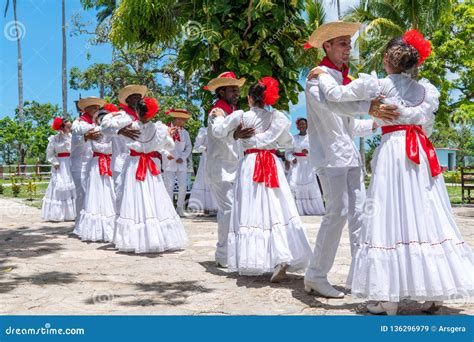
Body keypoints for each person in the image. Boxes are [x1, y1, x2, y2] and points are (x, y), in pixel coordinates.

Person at [344, 31, 473, 315]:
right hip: (419, 152)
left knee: (388, 214)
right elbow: (426, 126)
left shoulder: (377, 86)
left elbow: (356, 111)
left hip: (393, 152)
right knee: (425, 213)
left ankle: (387, 297)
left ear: (388, 60)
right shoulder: (427, 91)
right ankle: (434, 292)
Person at [210, 77, 312, 282]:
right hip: (272, 162)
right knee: (276, 207)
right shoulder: (278, 118)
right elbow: (287, 141)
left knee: (253, 208)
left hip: (250, 164)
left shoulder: (240, 116)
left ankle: (257, 258)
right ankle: (282, 255)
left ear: (249, 98)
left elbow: (218, 131)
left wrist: (220, 117)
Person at [110, 97, 187, 253]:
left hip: (134, 164)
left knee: (134, 198)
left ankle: (135, 239)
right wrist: (168, 135)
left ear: (137, 111)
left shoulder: (128, 127)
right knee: (155, 197)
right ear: (153, 113)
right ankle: (159, 237)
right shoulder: (159, 129)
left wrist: (118, 130)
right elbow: (170, 146)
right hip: (151, 165)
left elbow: (106, 128)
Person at [204, 71, 255, 267]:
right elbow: (218, 133)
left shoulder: (231, 111)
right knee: (228, 210)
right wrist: (235, 134)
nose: (236, 93)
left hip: (234, 167)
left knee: (234, 211)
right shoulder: (217, 111)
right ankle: (223, 253)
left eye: (237, 90)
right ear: (221, 92)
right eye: (232, 90)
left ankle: (233, 251)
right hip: (221, 168)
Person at [73, 105, 118, 242]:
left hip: (107, 162)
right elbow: (97, 146)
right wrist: (107, 149)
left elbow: (111, 147)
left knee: (110, 191)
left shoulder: (111, 133)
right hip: (96, 163)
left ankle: (110, 225)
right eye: (101, 117)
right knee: (94, 192)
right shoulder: (93, 129)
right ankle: (91, 227)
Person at [71, 97, 106, 218]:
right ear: (85, 109)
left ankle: (91, 223)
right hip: (79, 164)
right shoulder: (79, 123)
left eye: (97, 107)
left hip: (93, 163)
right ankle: (80, 223)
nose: (96, 109)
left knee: (93, 194)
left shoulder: (97, 123)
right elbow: (75, 141)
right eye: (92, 107)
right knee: (82, 193)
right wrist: (85, 137)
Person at [285, 117, 325, 216]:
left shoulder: (312, 138)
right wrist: (291, 158)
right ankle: (296, 210)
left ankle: (312, 209)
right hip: (296, 165)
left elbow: (318, 152)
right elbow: (288, 152)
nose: (302, 126)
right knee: (293, 185)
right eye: (300, 124)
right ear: (297, 126)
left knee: (310, 186)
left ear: (307, 126)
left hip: (308, 166)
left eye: (304, 124)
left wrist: (308, 153)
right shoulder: (293, 138)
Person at [41, 117, 76, 222]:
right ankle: (58, 213)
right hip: (60, 164)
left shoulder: (73, 137)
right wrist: (55, 162)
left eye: (71, 126)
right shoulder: (54, 139)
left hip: (71, 162)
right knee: (59, 186)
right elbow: (50, 153)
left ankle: (72, 213)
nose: (70, 128)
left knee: (72, 186)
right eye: (68, 126)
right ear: (62, 127)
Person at [162, 109, 193, 217]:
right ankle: (169, 209)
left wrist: (183, 157)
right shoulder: (165, 129)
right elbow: (161, 145)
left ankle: (180, 207)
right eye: (183, 120)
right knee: (169, 186)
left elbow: (189, 147)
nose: (184, 122)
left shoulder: (185, 132)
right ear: (177, 119)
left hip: (181, 163)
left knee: (183, 186)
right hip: (169, 163)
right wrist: (167, 154)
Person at [188, 127, 218, 214]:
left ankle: (218, 206)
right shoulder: (204, 130)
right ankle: (206, 207)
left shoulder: (221, 130)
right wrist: (205, 149)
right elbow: (197, 146)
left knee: (217, 182)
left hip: (218, 159)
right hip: (206, 159)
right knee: (205, 182)